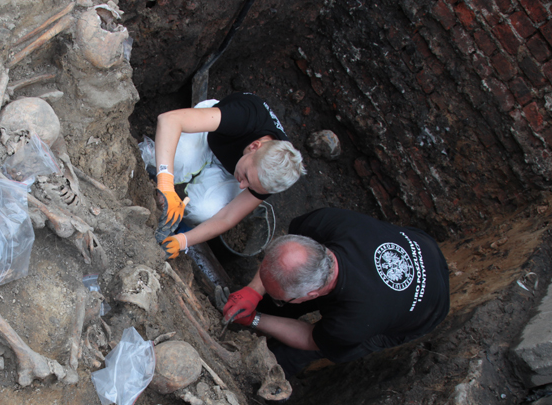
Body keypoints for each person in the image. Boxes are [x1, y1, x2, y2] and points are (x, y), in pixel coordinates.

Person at [222, 208, 451, 382]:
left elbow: (311, 338)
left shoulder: (355, 322)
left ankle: (266, 374)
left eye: (284, 298)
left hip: (427, 306)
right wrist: (254, 291)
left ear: (312, 294)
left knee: (310, 350)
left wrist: (255, 320)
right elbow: (281, 255)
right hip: (421, 243)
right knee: (280, 296)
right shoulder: (327, 223)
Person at [152, 93, 306, 258]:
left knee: (203, 210)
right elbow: (169, 120)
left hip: (230, 169)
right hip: (210, 132)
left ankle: (177, 215)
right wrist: (166, 184)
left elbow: (227, 218)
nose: (242, 186)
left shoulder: (273, 175)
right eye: (246, 177)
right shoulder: (244, 117)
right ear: (254, 146)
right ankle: (151, 176)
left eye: (250, 186)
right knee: (178, 160)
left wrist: (182, 241)